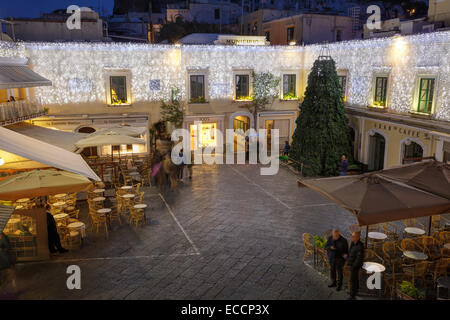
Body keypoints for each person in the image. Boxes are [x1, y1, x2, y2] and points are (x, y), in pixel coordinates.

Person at [347, 231, 364, 299]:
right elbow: (350, 251)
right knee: (355, 278)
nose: (352, 237)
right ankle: (356, 290)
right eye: (352, 236)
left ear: (358, 237)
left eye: (353, 236)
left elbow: (359, 259)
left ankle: (352, 295)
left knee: (352, 280)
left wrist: (353, 266)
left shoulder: (360, 246)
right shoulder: (353, 243)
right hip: (352, 263)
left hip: (355, 265)